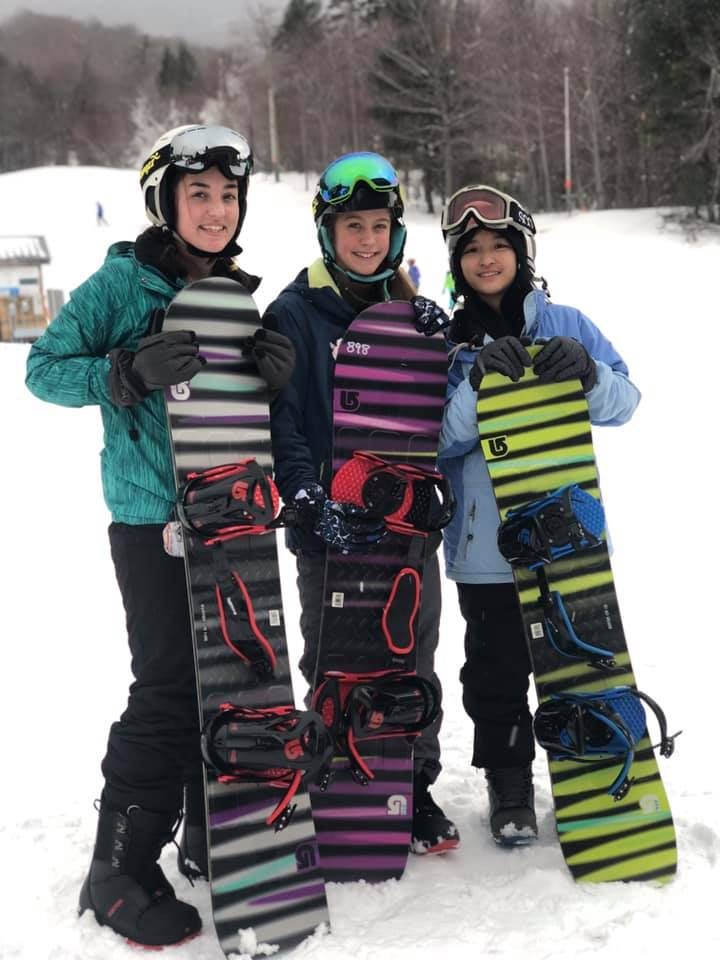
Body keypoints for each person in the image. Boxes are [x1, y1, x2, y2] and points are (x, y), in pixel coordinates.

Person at [25, 124, 295, 947]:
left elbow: (230, 415)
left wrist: (270, 381)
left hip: (234, 517)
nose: (216, 210)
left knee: (233, 680)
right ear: (164, 203)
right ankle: (117, 870)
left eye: (228, 195)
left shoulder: (234, 294)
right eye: (198, 194)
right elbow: (42, 369)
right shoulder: (121, 284)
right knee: (171, 685)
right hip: (153, 521)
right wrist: (124, 372)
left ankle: (213, 833)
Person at [263, 151, 459, 854]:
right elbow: (281, 420)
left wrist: (441, 349)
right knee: (336, 661)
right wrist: (307, 499)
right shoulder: (292, 313)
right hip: (331, 529)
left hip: (404, 525)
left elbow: (439, 425)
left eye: (379, 226)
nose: (368, 240)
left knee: (413, 657)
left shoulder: (409, 313)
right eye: (353, 226)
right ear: (327, 232)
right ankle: (335, 781)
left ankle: (414, 784)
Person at [436, 184, 640, 845]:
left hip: (567, 540)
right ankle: (509, 782)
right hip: (487, 549)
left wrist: (590, 374)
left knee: (579, 661)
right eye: (472, 249)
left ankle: (591, 771)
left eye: (499, 244)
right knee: (495, 672)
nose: (486, 259)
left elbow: (626, 402)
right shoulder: (448, 345)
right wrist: (475, 387)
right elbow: (437, 442)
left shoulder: (568, 325)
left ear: (522, 252)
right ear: (457, 262)